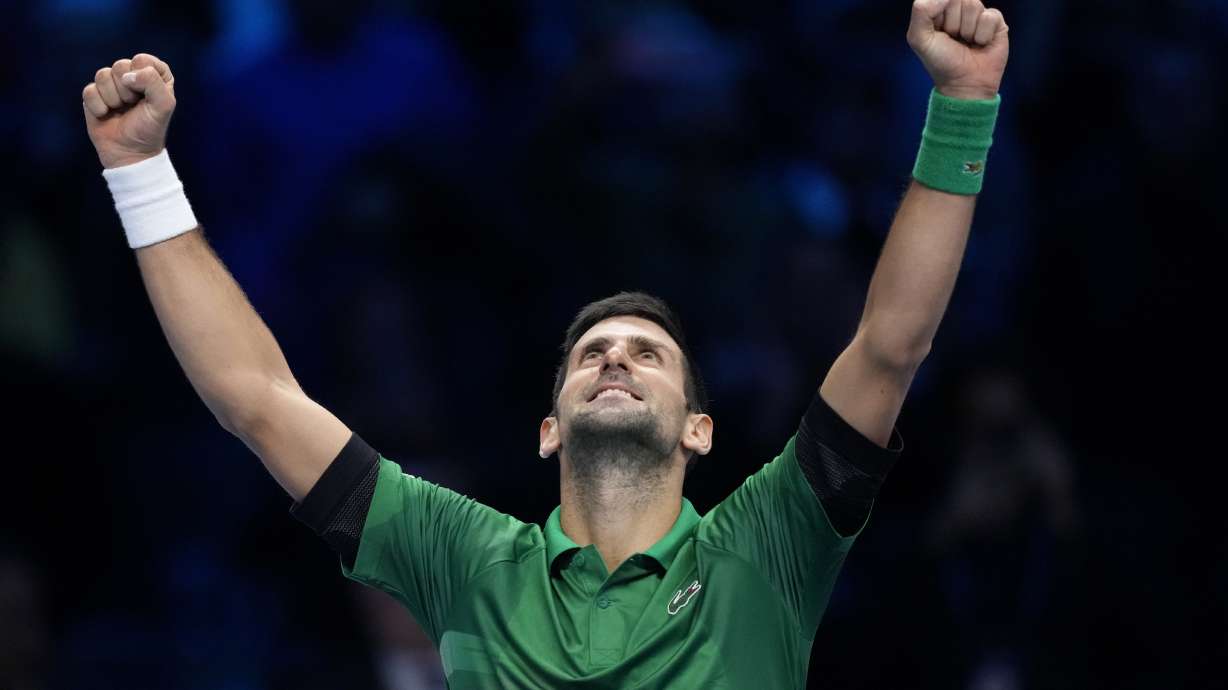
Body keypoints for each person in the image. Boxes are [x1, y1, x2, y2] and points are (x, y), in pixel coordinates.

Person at [81, 0, 1008, 686]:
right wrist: (139, 171)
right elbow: (255, 396)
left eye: (649, 354)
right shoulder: (462, 559)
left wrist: (963, 101)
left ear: (699, 430)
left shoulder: (767, 546)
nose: (616, 358)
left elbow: (890, 344)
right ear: (548, 430)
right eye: (591, 353)